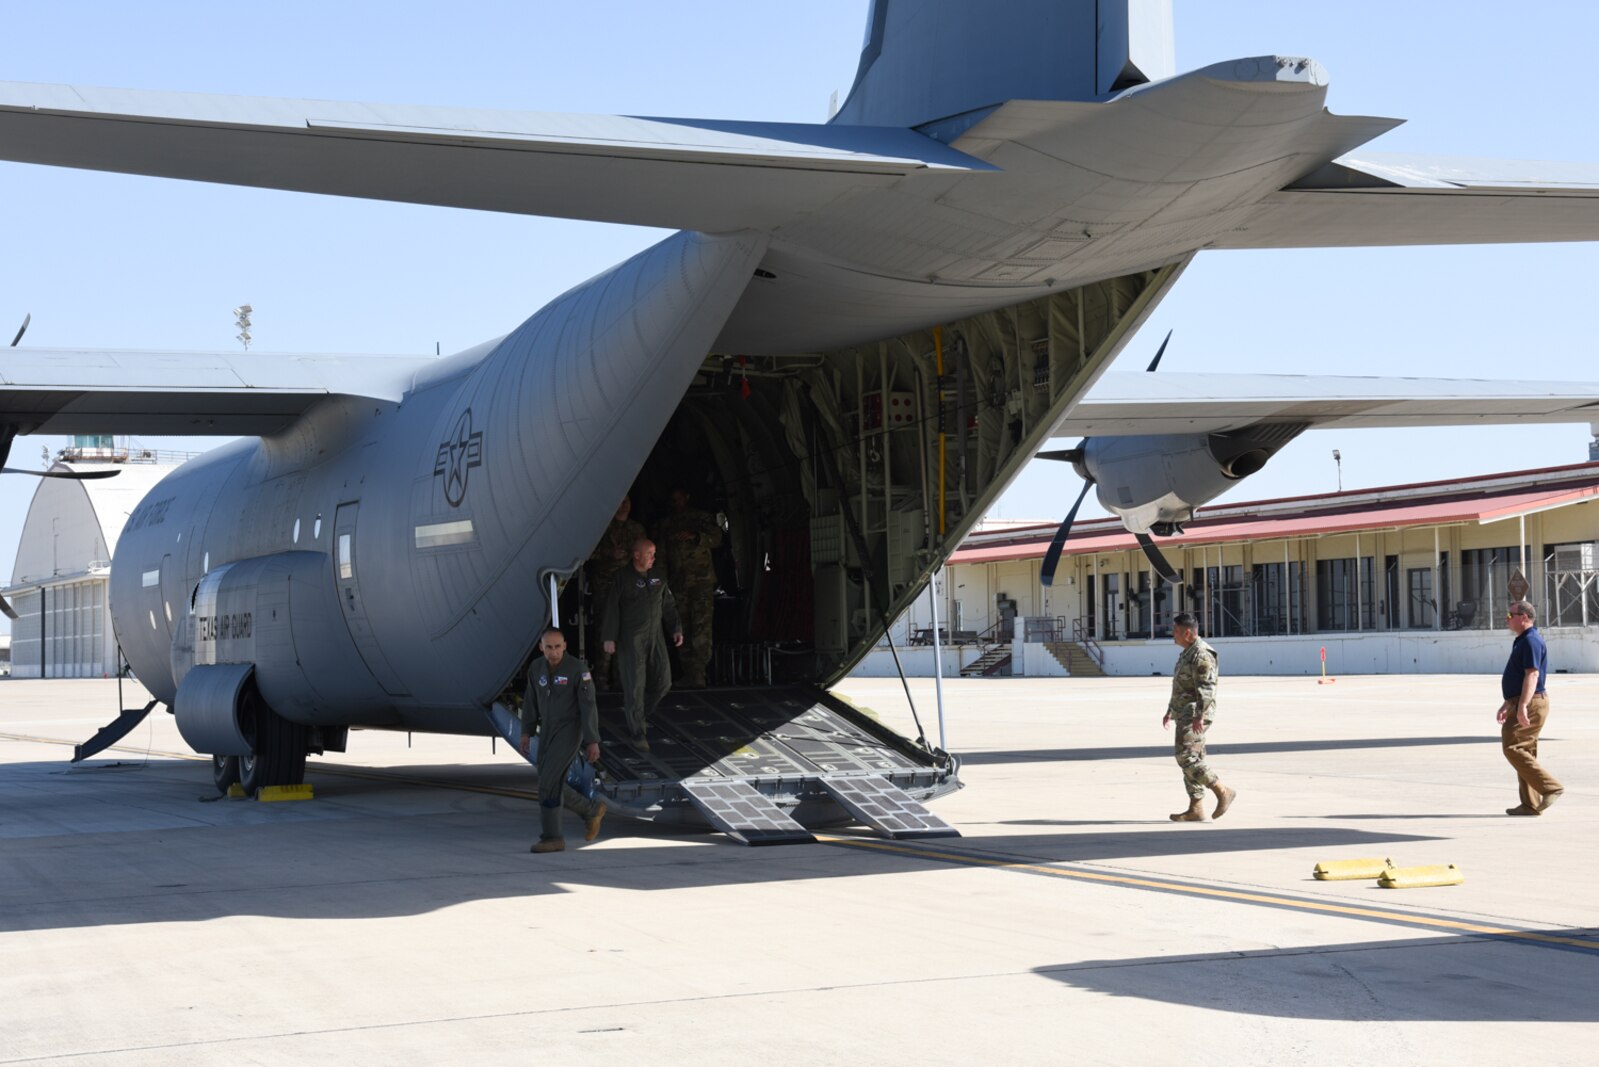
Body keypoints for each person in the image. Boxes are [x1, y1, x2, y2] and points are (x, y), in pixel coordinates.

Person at [519, 626, 606, 853]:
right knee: (549, 782)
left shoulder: (578, 669)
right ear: (541, 647)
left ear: (565, 645)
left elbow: (588, 706)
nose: (553, 652)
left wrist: (592, 740)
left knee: (547, 781)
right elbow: (530, 702)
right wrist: (526, 732)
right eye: (549, 647)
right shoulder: (536, 668)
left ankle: (552, 837)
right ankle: (590, 810)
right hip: (546, 729)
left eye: (558, 646)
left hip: (570, 730)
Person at [601, 539, 683, 751]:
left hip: (655, 637)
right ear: (637, 555)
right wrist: (609, 637)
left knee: (664, 681)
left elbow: (668, 605)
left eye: (654, 554)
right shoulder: (622, 578)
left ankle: (639, 714)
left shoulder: (658, 577)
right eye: (650, 554)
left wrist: (676, 628)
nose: (653, 558)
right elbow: (612, 608)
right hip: (632, 638)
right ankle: (638, 733)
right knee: (635, 686)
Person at [1162, 612, 1236, 822]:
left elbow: (1207, 688)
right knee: (1194, 758)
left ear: (1187, 633)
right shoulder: (1188, 652)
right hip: (1185, 711)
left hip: (1195, 713)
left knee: (1185, 756)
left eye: (1175, 632)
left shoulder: (1202, 654)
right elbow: (1181, 685)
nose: (1173, 635)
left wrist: (1199, 715)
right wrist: (1170, 710)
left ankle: (1222, 790)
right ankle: (1196, 808)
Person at [1498, 600, 1563, 816]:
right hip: (1523, 701)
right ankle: (1530, 804)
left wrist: (1523, 705)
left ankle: (1550, 787)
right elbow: (1518, 676)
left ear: (1524, 617)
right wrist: (1509, 703)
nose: (1507, 618)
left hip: (1532, 702)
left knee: (1513, 747)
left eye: (1510, 615)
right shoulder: (1522, 640)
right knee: (1525, 750)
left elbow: (1532, 674)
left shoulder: (1531, 641)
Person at [654, 487, 723, 687]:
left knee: (701, 628)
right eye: (673, 499)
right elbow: (661, 556)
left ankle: (699, 672)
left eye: (679, 498)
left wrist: (696, 536)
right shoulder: (667, 524)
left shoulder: (701, 518)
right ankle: (687, 673)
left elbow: (717, 538)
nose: (676, 502)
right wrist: (660, 582)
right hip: (678, 583)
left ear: (687, 497)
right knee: (681, 627)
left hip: (701, 582)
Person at [586, 496, 646, 688]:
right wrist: (608, 553)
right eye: (620, 502)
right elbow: (587, 553)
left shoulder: (636, 529)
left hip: (627, 588)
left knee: (626, 632)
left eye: (627, 502)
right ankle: (602, 677)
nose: (624, 506)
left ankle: (621, 678)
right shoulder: (602, 527)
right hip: (605, 586)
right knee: (605, 630)